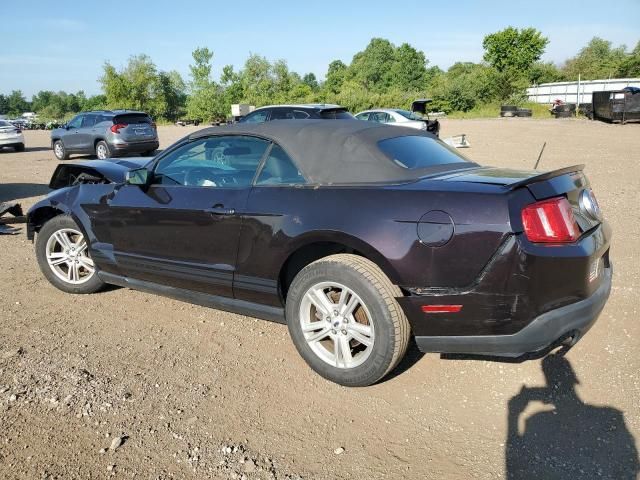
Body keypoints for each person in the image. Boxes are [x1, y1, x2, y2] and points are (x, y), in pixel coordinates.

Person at [506, 352, 639, 480]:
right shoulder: (611, 416)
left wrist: (513, 415)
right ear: (574, 378)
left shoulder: (537, 421)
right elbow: (630, 462)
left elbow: (515, 469)